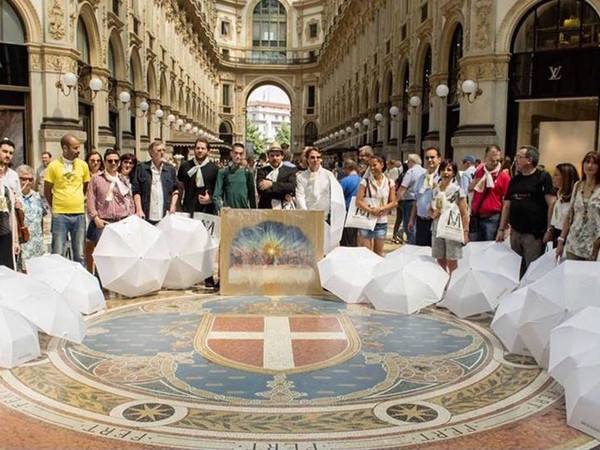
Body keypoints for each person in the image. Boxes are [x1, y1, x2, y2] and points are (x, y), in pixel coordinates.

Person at [496, 145, 555, 277]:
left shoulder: (543, 178)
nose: (515, 160)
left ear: (529, 160)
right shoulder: (515, 180)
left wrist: (549, 229)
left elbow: (551, 203)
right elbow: (507, 205)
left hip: (534, 234)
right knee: (516, 269)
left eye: (519, 157)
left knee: (532, 271)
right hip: (516, 232)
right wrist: (501, 228)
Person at [44, 134, 90, 265]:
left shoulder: (83, 165)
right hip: (60, 215)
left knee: (80, 254)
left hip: (79, 214)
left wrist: (76, 199)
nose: (78, 151)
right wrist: (58, 204)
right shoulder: (53, 166)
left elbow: (85, 186)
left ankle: (80, 282)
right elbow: (47, 190)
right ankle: (58, 282)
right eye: (75, 148)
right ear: (65, 148)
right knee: (58, 253)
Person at [556, 152, 600, 261]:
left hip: (593, 243)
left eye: (594, 163)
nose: (589, 166)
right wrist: (561, 240)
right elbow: (570, 215)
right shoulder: (578, 185)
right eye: (587, 162)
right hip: (574, 242)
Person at [429, 159, 469, 275]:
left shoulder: (458, 191)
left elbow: (464, 212)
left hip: (452, 229)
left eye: (449, 170)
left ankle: (452, 284)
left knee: (452, 261)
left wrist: (465, 232)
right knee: (440, 259)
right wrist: (433, 214)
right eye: (443, 169)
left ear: (453, 173)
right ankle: (443, 284)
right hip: (437, 228)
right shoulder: (435, 191)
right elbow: (429, 209)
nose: (445, 172)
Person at [87, 149, 135, 244]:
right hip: (104, 223)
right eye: (110, 161)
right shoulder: (96, 178)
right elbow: (91, 200)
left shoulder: (122, 179)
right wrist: (96, 218)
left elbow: (129, 200)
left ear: (119, 162)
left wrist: (130, 217)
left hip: (122, 222)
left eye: (116, 161)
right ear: (104, 163)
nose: (113, 163)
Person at [356, 156, 396, 256]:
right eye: (370, 166)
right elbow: (358, 201)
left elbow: (393, 202)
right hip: (367, 220)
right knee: (366, 253)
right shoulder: (365, 182)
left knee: (378, 253)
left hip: (381, 221)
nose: (372, 168)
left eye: (375, 165)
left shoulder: (390, 182)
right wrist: (370, 210)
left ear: (382, 165)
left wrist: (381, 208)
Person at [469, 145, 510, 241]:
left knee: (489, 249)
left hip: (493, 219)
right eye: (492, 160)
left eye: (498, 160)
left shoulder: (504, 177)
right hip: (476, 217)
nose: (495, 163)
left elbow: (506, 203)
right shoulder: (479, 172)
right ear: (485, 157)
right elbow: (472, 192)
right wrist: (470, 187)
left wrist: (503, 226)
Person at [132, 141, 180, 224]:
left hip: (165, 214)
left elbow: (175, 189)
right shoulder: (142, 168)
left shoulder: (170, 169)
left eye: (163, 150)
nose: (162, 153)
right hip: (146, 214)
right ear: (151, 153)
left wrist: (173, 205)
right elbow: (136, 190)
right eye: (158, 150)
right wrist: (139, 209)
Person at [178, 137, 219, 217]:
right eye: (198, 148)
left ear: (208, 151)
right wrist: (178, 205)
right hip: (188, 210)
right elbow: (180, 186)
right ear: (194, 150)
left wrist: (210, 199)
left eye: (203, 148)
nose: (200, 151)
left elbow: (219, 191)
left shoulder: (215, 169)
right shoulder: (185, 166)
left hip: (207, 211)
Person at [409, 147, 441, 246]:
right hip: (421, 221)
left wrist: (438, 188)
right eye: (427, 158)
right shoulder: (421, 178)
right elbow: (416, 201)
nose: (429, 160)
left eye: (432, 157)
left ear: (439, 159)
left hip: (436, 222)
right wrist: (411, 219)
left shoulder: (444, 177)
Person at [16, 165, 45, 272]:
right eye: (23, 179)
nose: (27, 182)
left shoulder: (38, 197)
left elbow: (41, 218)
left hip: (37, 241)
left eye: (30, 179)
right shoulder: (15, 197)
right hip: (23, 242)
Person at [213, 143, 256, 212]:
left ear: (243, 155)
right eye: (236, 153)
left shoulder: (248, 173)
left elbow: (252, 197)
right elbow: (216, 195)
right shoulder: (223, 172)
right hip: (228, 212)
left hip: (244, 212)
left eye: (240, 154)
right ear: (231, 154)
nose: (238, 156)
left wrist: (253, 213)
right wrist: (221, 207)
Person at [395, 154, 425, 245]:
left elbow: (403, 188)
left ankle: (411, 245)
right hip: (422, 202)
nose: (407, 163)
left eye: (408, 161)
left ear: (412, 161)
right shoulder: (425, 171)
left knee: (409, 226)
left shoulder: (410, 172)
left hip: (410, 202)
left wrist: (395, 201)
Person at [256, 142, 297, 209]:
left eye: (277, 155)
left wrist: (271, 184)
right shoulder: (262, 171)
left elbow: (291, 187)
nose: (275, 158)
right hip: (266, 208)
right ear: (268, 157)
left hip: (284, 208)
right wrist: (283, 195)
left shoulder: (290, 171)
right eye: (272, 156)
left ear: (282, 156)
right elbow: (262, 191)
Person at [547, 163, 579, 248]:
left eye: (556, 175)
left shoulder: (575, 198)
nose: (553, 177)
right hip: (556, 233)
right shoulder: (558, 195)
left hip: (567, 235)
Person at [340, 158, 361, 247]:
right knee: (356, 237)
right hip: (359, 211)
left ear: (348, 168)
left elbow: (339, 196)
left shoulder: (344, 181)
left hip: (347, 210)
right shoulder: (362, 180)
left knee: (346, 238)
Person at [0, 175, 18, 269]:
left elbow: (12, 215)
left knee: (7, 270)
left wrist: (15, 241)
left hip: (5, 234)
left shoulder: (7, 190)